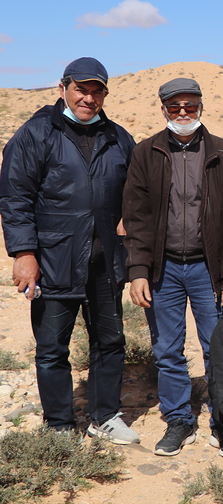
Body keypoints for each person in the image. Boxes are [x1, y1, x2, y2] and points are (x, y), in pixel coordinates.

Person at [0, 57, 139, 444]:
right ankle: (59, 425)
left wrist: (130, 221)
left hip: (107, 261)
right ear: (63, 89)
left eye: (97, 91)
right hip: (54, 259)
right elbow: (15, 197)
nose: (89, 98)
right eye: (82, 89)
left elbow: (134, 192)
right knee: (51, 348)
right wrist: (24, 253)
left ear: (105, 95)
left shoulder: (118, 137)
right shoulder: (36, 133)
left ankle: (104, 417)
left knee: (110, 342)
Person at [122, 78, 223, 457]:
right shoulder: (147, 153)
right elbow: (137, 217)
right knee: (167, 349)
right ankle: (179, 421)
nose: (182, 113)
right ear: (163, 110)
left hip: (208, 269)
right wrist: (138, 270)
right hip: (164, 271)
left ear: (201, 107)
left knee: (218, 349)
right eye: (174, 107)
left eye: (189, 106)